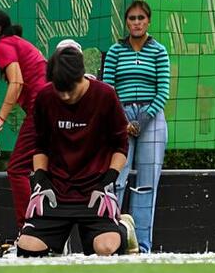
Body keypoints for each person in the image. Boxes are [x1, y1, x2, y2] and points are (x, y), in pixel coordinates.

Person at [17, 41, 136, 257]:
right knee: (27, 248)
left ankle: (123, 227)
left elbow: (121, 145)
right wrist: (41, 182)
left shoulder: (105, 95)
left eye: (69, 90)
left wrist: (108, 181)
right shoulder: (45, 97)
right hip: (56, 192)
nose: (63, 96)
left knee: (106, 249)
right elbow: (40, 145)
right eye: (58, 89)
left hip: (95, 192)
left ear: (81, 76)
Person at [101, 0, 170, 253]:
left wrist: (141, 120)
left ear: (148, 21)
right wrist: (122, 119)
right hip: (120, 115)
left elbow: (163, 91)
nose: (137, 22)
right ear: (126, 22)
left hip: (151, 117)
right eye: (132, 18)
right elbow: (108, 89)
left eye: (141, 18)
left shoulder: (159, 51)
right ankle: (113, 240)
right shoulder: (116, 50)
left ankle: (142, 246)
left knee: (147, 183)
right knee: (116, 180)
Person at [0, 9, 49, 234]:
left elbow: (17, 82)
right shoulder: (17, 42)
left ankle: (27, 230)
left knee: (16, 169)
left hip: (41, 110)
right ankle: (49, 227)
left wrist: (0, 119)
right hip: (50, 108)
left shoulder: (4, 45)